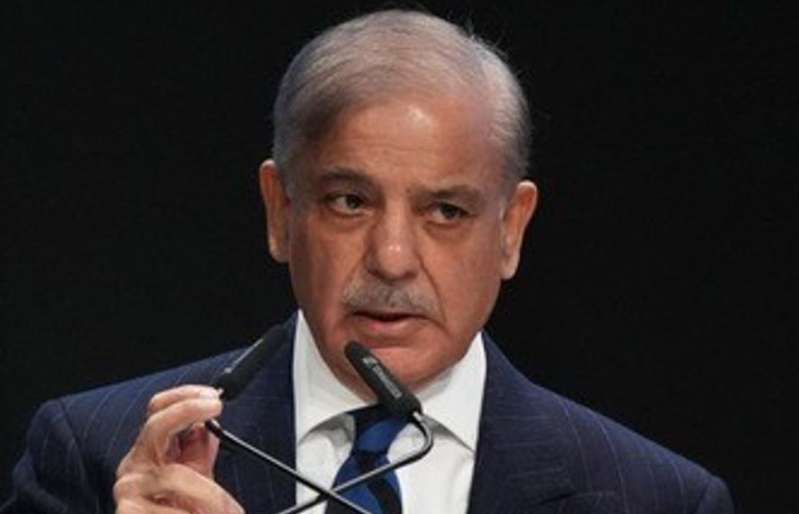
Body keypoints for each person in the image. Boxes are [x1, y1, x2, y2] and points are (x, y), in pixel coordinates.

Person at [2, 9, 733, 514]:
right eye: (350, 202)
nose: (392, 260)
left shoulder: (653, 499)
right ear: (281, 212)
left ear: (511, 230)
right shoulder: (97, 457)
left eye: (445, 212)